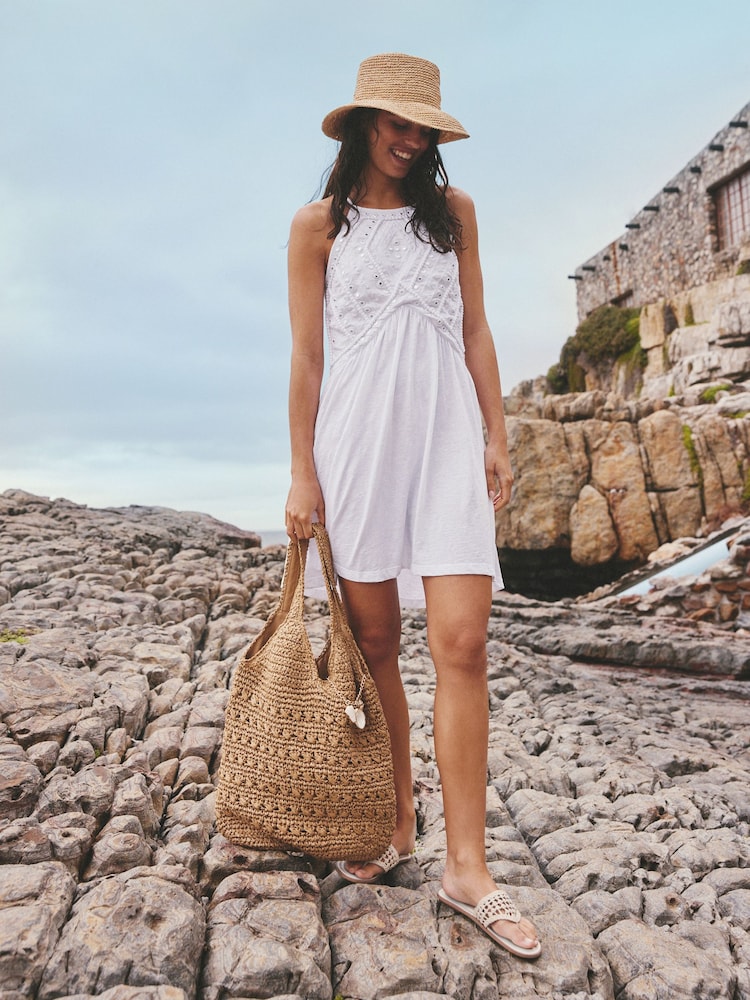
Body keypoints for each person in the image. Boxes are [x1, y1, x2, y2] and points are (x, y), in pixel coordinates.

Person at [284, 52, 541, 960]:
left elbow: (475, 329)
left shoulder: (455, 215)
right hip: (354, 446)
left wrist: (497, 435)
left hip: (444, 442)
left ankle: (467, 870)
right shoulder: (318, 227)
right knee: (379, 643)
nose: (410, 137)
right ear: (362, 123)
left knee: (463, 640)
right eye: (397, 121)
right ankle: (398, 820)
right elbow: (309, 360)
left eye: (423, 125)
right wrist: (302, 475)